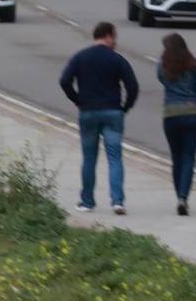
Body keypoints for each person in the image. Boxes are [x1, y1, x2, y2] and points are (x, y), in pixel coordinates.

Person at [59, 22, 140, 215]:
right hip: (112, 112)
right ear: (108, 36)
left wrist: (77, 100)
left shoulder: (80, 57)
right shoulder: (117, 59)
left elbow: (64, 81)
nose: (116, 42)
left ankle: (87, 201)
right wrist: (125, 107)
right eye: (115, 37)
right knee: (114, 157)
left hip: (88, 112)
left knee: (89, 158)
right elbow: (133, 86)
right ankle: (117, 201)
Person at [157, 33, 196, 216]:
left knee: (176, 158)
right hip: (192, 114)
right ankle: (183, 197)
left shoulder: (163, 66)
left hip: (171, 114)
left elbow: (161, 80)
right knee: (189, 156)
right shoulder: (194, 65)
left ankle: (179, 197)